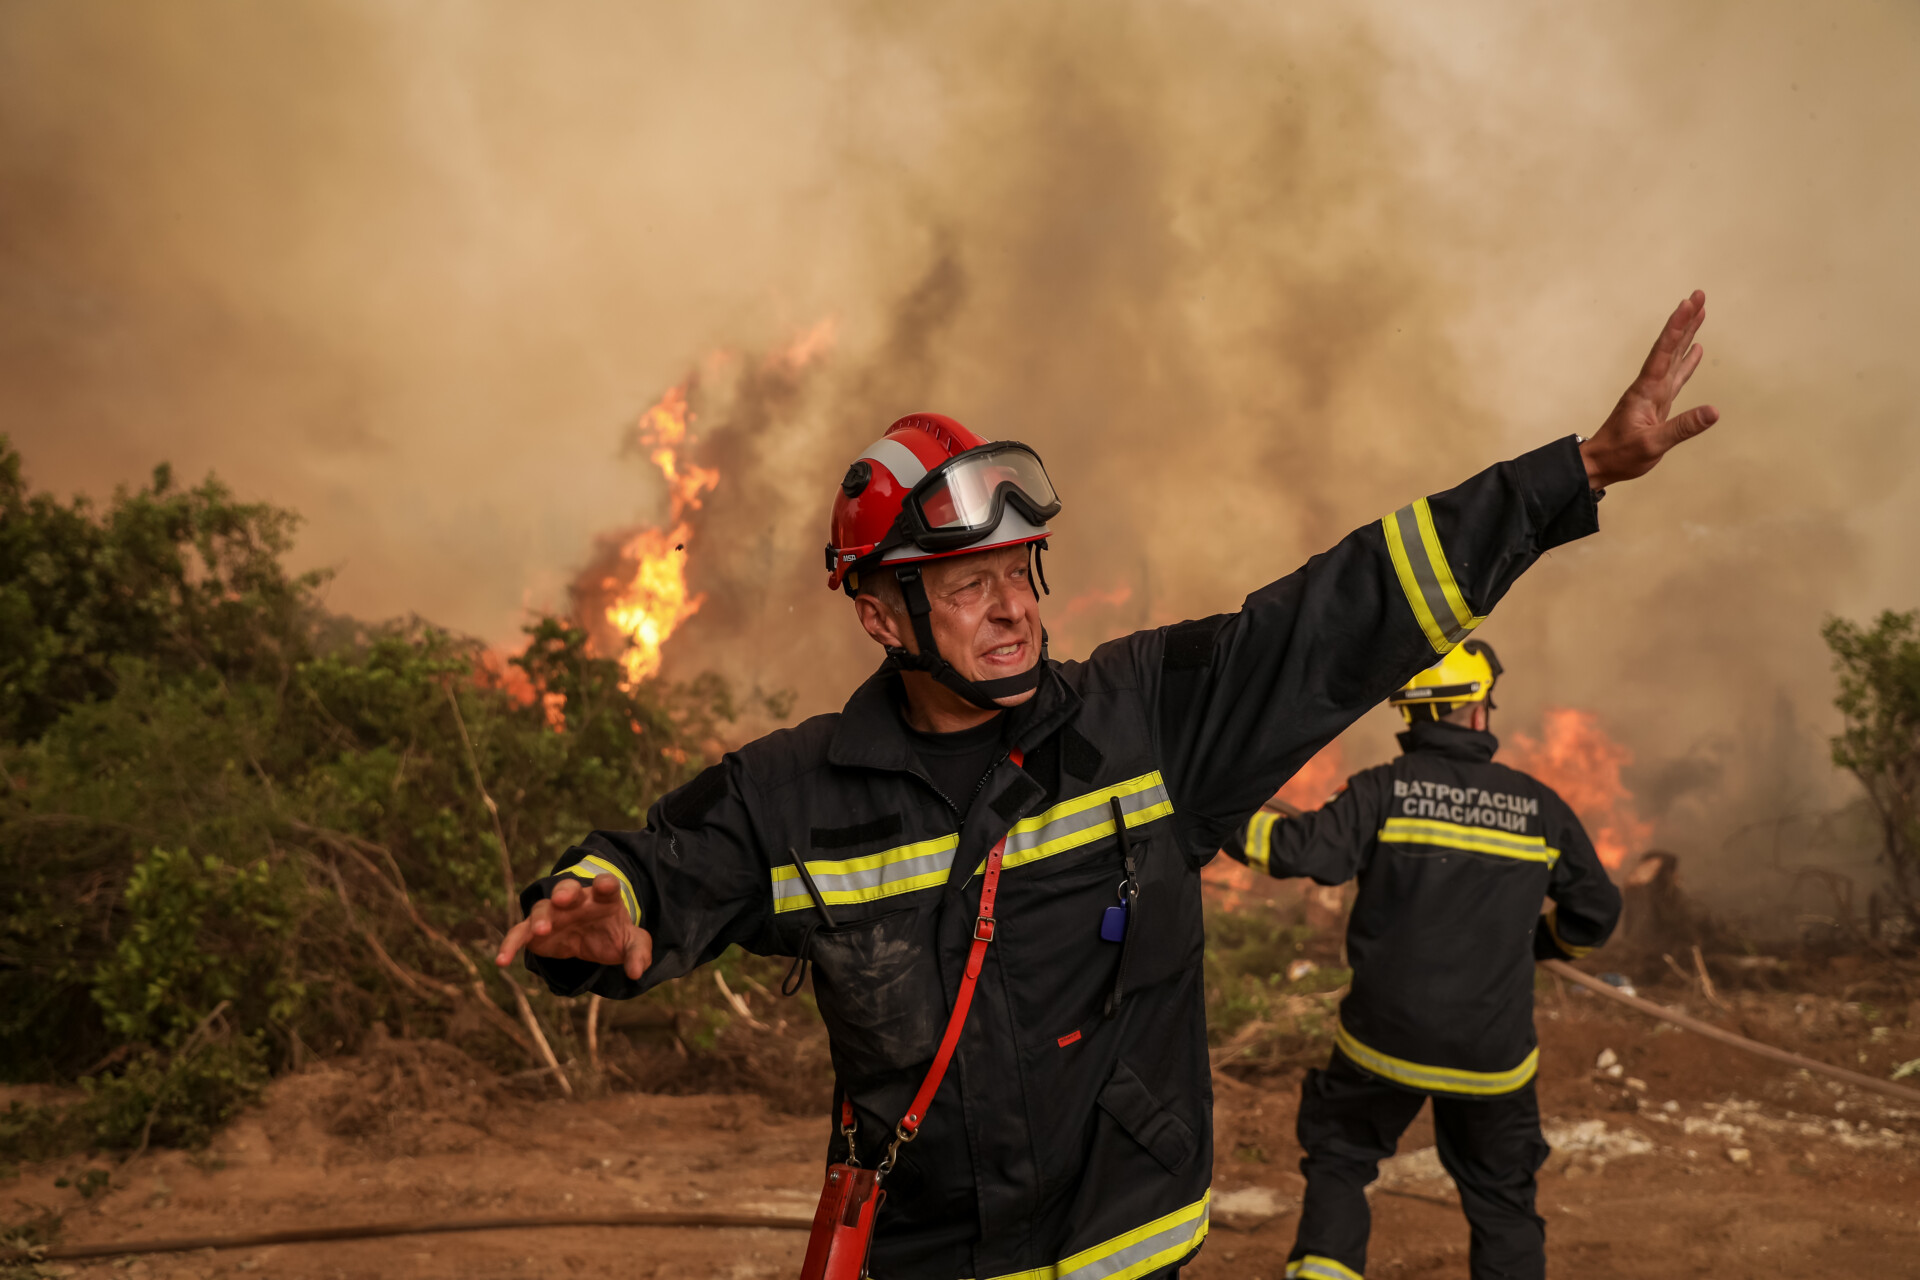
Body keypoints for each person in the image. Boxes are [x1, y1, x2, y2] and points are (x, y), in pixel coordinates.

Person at [496, 292, 1717, 1279]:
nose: (1016, 603)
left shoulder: (1149, 718)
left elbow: (1341, 612)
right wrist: (600, 910)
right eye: (967, 582)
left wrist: (1577, 473)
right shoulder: (794, 790)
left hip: (1128, 1251)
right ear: (881, 613)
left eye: (1022, 566)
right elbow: (660, 869)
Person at [1222, 640, 1622, 1280]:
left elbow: (1297, 851)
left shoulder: (1384, 790)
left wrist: (1215, 812)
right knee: (1502, 1197)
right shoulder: (1539, 807)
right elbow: (1596, 911)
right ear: (1476, 712)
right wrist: (1542, 946)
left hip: (1383, 1044)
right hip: (1492, 1058)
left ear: (1412, 715)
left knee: (1341, 1161)